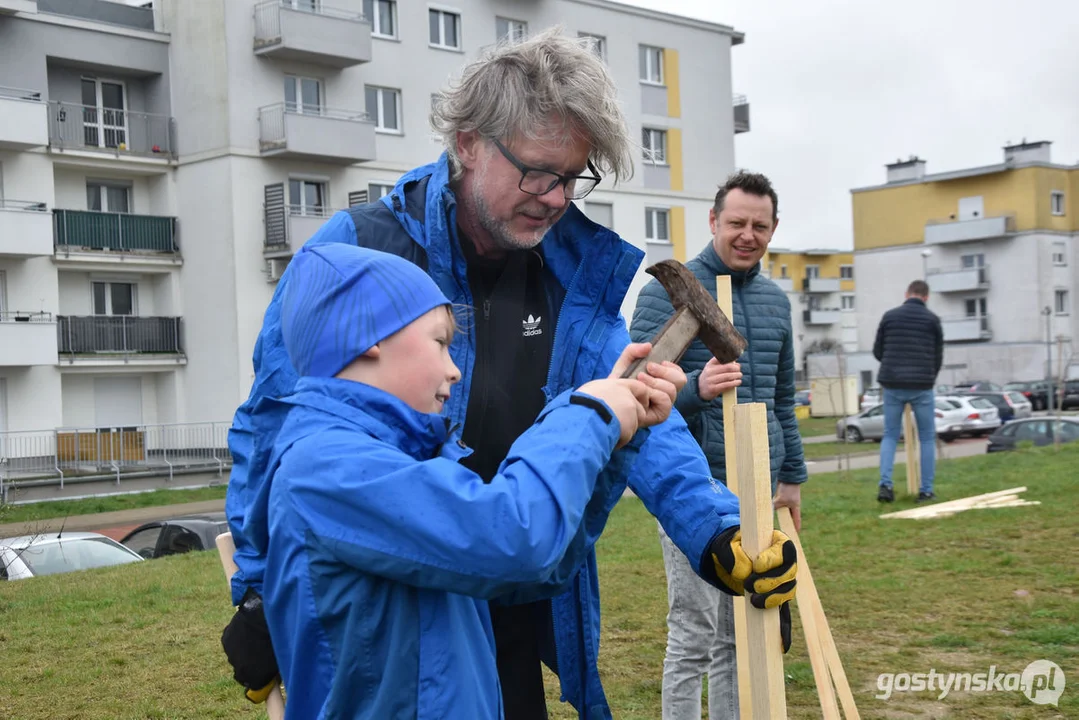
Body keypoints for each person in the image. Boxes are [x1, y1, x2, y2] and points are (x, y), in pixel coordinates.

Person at [222, 29, 797, 719]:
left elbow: (635, 407)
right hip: (393, 580)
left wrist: (713, 528)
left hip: (517, 576)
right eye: (536, 171)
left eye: (573, 176)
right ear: (467, 142)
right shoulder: (359, 257)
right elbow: (275, 421)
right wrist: (258, 592)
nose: (555, 197)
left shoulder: (568, 276)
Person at [248, 242, 683, 718]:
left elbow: (528, 569)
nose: (454, 369)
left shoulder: (386, 462)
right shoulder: (330, 468)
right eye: (441, 342)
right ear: (368, 337)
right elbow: (513, 537)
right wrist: (588, 416)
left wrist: (614, 439)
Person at [630, 171, 807, 720]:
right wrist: (698, 391)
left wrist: (792, 475)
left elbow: (782, 398)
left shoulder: (777, 303)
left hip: (757, 485)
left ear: (773, 228)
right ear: (713, 221)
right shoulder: (667, 292)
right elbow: (636, 395)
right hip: (693, 485)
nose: (747, 234)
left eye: (760, 225)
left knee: (743, 631)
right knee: (695, 631)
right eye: (736, 222)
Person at [872, 279, 943, 503]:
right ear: (926, 297)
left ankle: (885, 485)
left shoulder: (889, 316)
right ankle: (926, 490)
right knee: (927, 438)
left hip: (892, 383)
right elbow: (938, 356)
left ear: (907, 293)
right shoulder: (933, 320)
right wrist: (928, 374)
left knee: (890, 435)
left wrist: (893, 366)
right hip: (922, 385)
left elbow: (878, 350)